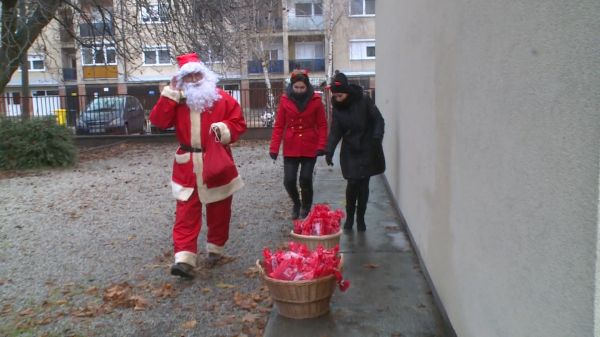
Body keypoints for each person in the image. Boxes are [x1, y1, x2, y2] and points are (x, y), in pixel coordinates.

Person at [149, 53, 247, 278]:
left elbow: (238, 123)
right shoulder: (176, 101)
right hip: (187, 164)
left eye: (197, 74)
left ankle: (215, 247)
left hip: (216, 161)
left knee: (219, 209)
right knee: (185, 211)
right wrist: (170, 94)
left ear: (204, 74)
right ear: (182, 79)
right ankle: (184, 259)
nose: (194, 79)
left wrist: (222, 130)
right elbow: (158, 122)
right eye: (188, 76)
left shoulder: (221, 98)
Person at [325, 72, 385, 232]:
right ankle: (350, 216)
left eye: (340, 95)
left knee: (364, 184)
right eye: (335, 96)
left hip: (367, 147)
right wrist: (329, 150)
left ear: (347, 92)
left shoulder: (363, 100)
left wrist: (377, 137)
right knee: (352, 184)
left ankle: (361, 217)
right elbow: (335, 132)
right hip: (350, 150)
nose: (337, 99)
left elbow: (378, 120)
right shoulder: (337, 109)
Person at [269, 69, 328, 219]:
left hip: (310, 145)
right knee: (289, 181)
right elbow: (279, 125)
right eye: (297, 87)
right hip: (291, 146)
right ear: (292, 86)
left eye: (303, 88)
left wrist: (322, 145)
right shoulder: (284, 100)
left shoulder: (316, 101)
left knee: (305, 179)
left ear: (307, 87)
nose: (300, 90)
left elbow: (322, 125)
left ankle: (306, 206)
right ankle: (297, 203)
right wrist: (274, 148)